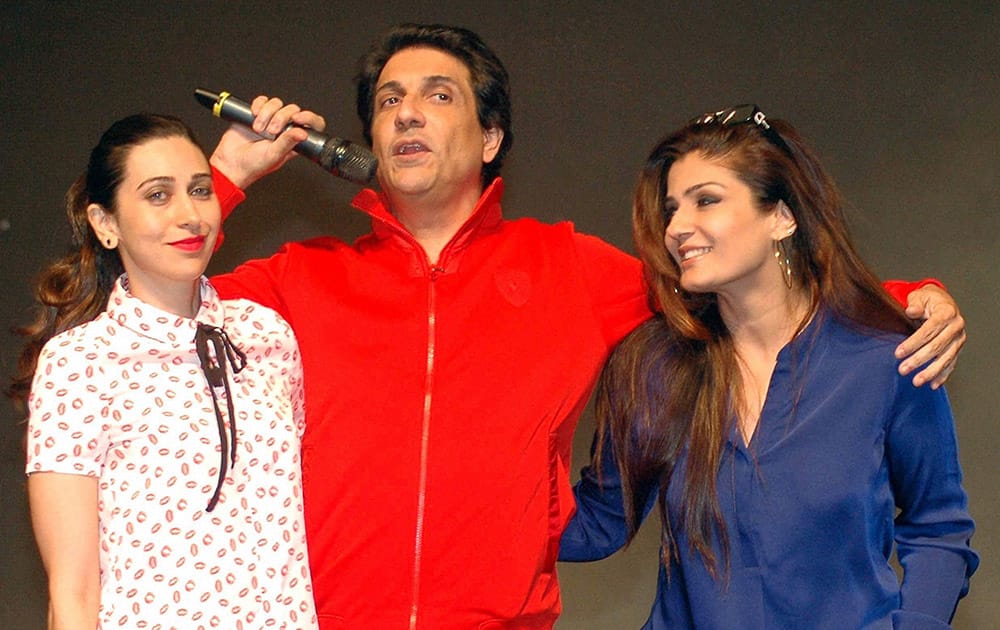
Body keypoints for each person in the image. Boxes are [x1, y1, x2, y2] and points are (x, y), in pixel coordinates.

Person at [205, 25, 967, 628]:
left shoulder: (567, 267)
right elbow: (138, 324)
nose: (405, 110)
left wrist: (905, 296)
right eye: (388, 99)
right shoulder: (298, 277)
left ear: (491, 138)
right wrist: (227, 175)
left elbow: (723, 282)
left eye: (439, 95)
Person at [558, 105, 978, 628]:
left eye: (705, 201)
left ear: (781, 216)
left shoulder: (888, 359)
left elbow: (938, 526)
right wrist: (463, 494)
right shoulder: (655, 366)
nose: (676, 228)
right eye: (671, 209)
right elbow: (598, 521)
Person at [10, 114, 317, 629]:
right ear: (106, 224)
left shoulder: (268, 337)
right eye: (157, 195)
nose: (190, 215)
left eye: (200, 190)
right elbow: (74, 592)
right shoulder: (78, 364)